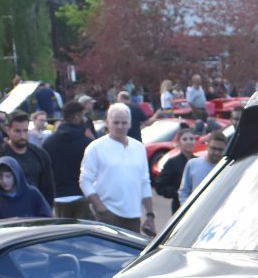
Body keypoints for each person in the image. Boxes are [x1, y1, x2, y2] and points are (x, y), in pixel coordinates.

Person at [80, 102, 155, 235]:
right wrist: (100, 208)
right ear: (107, 123)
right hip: (107, 215)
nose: (120, 126)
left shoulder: (139, 148)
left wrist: (150, 214)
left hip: (133, 215)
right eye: (116, 122)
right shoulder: (95, 148)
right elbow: (85, 180)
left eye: (124, 122)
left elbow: (144, 181)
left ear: (130, 124)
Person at [43, 100, 95, 219]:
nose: (85, 119)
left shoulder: (48, 143)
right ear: (77, 116)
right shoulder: (87, 144)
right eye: (83, 115)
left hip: (58, 197)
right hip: (81, 196)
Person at [0, 109, 54, 198]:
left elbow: (48, 187)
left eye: (25, 131)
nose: (22, 136)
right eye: (17, 131)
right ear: (8, 130)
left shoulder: (40, 155)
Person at [0, 155, 52, 220]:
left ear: (16, 176)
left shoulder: (32, 193)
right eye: (0, 177)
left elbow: (48, 217)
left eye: (8, 176)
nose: (4, 181)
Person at [154, 125, 196, 212]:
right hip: (179, 207)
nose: (189, 142)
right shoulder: (172, 162)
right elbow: (160, 186)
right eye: (185, 139)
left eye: (191, 139)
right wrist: (177, 193)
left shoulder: (198, 161)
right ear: (179, 143)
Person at [179, 128, 227, 202]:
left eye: (220, 150)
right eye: (213, 148)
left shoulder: (227, 168)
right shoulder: (192, 164)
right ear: (206, 146)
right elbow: (183, 192)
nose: (216, 152)